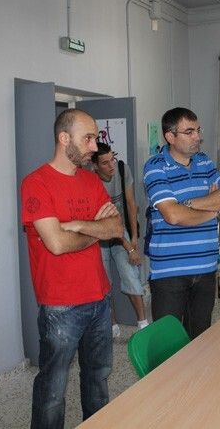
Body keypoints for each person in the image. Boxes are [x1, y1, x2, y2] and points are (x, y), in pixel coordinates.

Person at [21, 109, 123, 429]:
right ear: (64, 139)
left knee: (98, 378)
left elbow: (116, 227)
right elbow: (56, 244)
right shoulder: (36, 183)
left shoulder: (92, 180)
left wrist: (77, 225)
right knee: (53, 389)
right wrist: (96, 229)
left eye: (95, 138)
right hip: (60, 304)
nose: (94, 146)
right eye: (88, 138)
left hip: (99, 298)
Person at [143, 107, 220, 339]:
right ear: (170, 137)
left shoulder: (204, 162)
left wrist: (189, 204)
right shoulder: (155, 167)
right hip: (169, 272)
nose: (197, 137)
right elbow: (173, 215)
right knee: (168, 341)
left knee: (201, 339)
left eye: (198, 130)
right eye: (189, 132)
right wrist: (212, 210)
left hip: (205, 268)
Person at [91, 143, 149, 335]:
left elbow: (131, 205)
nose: (111, 166)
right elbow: (107, 222)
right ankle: (112, 325)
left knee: (130, 273)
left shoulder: (122, 170)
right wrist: (129, 248)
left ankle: (143, 323)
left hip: (120, 228)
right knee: (104, 280)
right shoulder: (90, 180)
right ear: (95, 166)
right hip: (98, 233)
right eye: (105, 163)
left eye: (112, 160)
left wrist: (134, 239)